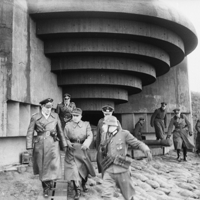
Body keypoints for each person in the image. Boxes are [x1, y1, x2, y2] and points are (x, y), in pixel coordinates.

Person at [99, 116, 152, 200]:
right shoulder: (104, 135)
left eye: (105, 125)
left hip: (122, 169)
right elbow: (102, 149)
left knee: (128, 195)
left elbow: (137, 143)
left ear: (111, 126)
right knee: (106, 195)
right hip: (109, 169)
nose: (103, 127)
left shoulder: (124, 134)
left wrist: (146, 150)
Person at [26, 98, 67, 197]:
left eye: (50, 107)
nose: (49, 109)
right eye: (47, 107)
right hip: (41, 145)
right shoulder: (35, 117)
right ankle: (45, 188)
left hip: (53, 144)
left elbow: (60, 131)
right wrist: (29, 147)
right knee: (43, 167)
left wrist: (64, 144)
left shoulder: (55, 116)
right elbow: (30, 133)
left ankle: (51, 182)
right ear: (42, 106)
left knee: (54, 165)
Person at [64, 108, 96, 200]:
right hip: (72, 150)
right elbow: (64, 136)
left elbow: (90, 135)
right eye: (73, 116)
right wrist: (68, 143)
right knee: (74, 170)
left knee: (84, 170)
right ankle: (77, 189)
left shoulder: (86, 124)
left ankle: (83, 184)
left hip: (83, 149)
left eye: (77, 116)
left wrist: (86, 143)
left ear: (81, 116)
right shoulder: (68, 125)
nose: (75, 118)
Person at [96, 105, 121, 173]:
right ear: (103, 113)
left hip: (112, 147)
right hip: (102, 146)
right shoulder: (100, 121)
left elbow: (120, 135)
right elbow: (98, 135)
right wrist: (97, 148)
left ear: (112, 113)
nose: (107, 115)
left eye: (108, 114)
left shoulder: (116, 122)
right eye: (105, 114)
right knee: (102, 164)